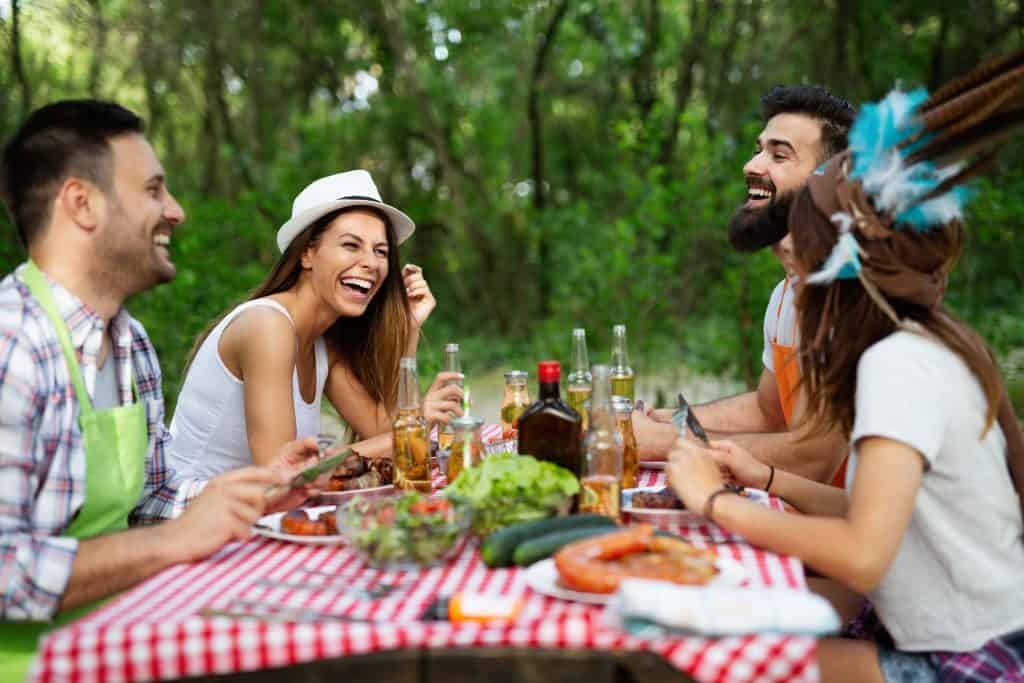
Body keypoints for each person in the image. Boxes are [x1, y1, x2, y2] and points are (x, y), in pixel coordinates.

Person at [667, 56, 1024, 682]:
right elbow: (869, 511)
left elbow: (862, 554)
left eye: (796, 235)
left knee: (712, 664)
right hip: (911, 620)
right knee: (712, 617)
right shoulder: (910, 347)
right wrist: (766, 476)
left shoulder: (899, 367)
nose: (782, 246)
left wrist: (714, 501)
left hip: (965, 657)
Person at [0, 100, 323, 680]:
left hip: (123, 640)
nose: (174, 211)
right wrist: (175, 542)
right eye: (153, 190)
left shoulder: (132, 343)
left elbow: (152, 499)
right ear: (81, 203)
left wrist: (255, 493)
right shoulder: (11, 345)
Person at [167, 170, 462, 478]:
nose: (371, 263)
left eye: (381, 251)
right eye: (351, 245)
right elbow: (284, 474)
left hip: (258, 508)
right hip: (191, 509)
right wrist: (413, 427)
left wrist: (409, 325)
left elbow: (382, 429)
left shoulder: (322, 345)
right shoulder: (267, 325)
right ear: (307, 253)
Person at [633, 85, 856, 483]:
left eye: (779, 154)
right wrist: (671, 419)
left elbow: (813, 457)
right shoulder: (787, 292)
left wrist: (661, 441)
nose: (751, 165)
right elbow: (768, 412)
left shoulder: (850, 294)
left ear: (830, 180)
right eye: (759, 149)